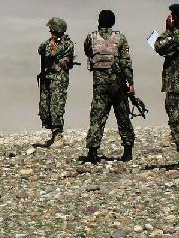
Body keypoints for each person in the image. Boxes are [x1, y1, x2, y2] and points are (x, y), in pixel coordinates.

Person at [83, 10, 134, 163]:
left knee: (97, 118)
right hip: (118, 84)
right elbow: (126, 62)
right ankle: (127, 152)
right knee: (123, 117)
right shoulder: (120, 38)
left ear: (99, 21)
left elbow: (88, 52)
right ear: (113, 22)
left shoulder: (91, 37)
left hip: (100, 86)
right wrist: (131, 83)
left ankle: (92, 152)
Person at [36, 17, 76, 148]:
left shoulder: (67, 44)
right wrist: (51, 41)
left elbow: (50, 53)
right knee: (45, 107)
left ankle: (58, 135)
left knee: (56, 107)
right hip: (47, 78)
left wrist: (52, 42)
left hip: (58, 79)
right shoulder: (50, 42)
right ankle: (53, 134)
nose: (50, 32)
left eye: (52, 29)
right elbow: (40, 50)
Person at [154, 3, 179, 155]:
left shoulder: (174, 35)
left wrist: (168, 29)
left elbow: (158, 46)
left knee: (175, 119)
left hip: (175, 86)